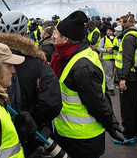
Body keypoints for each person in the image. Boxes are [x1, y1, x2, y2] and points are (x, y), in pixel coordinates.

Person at [0, 11, 62, 156]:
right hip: (30, 136)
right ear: (25, 32)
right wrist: (36, 121)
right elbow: (52, 103)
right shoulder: (39, 63)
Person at [50, 11, 123, 158]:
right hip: (71, 134)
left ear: (65, 39)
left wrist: (110, 125)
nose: (53, 35)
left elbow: (96, 102)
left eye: (56, 33)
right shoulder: (72, 55)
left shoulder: (82, 66)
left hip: (81, 139)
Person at [114, 14, 137, 145]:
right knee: (135, 105)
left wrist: (122, 79)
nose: (120, 24)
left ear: (127, 23)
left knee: (127, 107)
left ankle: (128, 135)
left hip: (129, 77)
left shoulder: (128, 38)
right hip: (135, 76)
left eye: (121, 22)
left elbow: (128, 59)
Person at [98, 26, 118, 96]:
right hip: (107, 58)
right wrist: (106, 50)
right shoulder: (103, 39)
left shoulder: (117, 39)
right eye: (107, 31)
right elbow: (99, 48)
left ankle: (106, 85)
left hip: (115, 58)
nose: (108, 32)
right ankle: (111, 88)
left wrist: (116, 48)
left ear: (113, 31)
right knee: (109, 74)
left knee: (111, 73)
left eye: (110, 31)